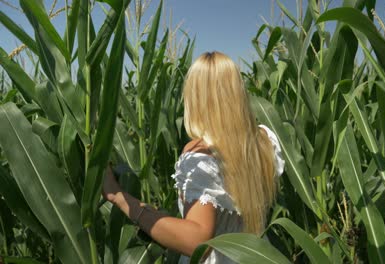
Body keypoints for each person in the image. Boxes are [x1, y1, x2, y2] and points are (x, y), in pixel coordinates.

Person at [102, 51, 285, 263]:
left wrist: (119, 197)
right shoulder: (264, 139)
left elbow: (196, 241)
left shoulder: (200, 155)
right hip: (257, 257)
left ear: (195, 96)